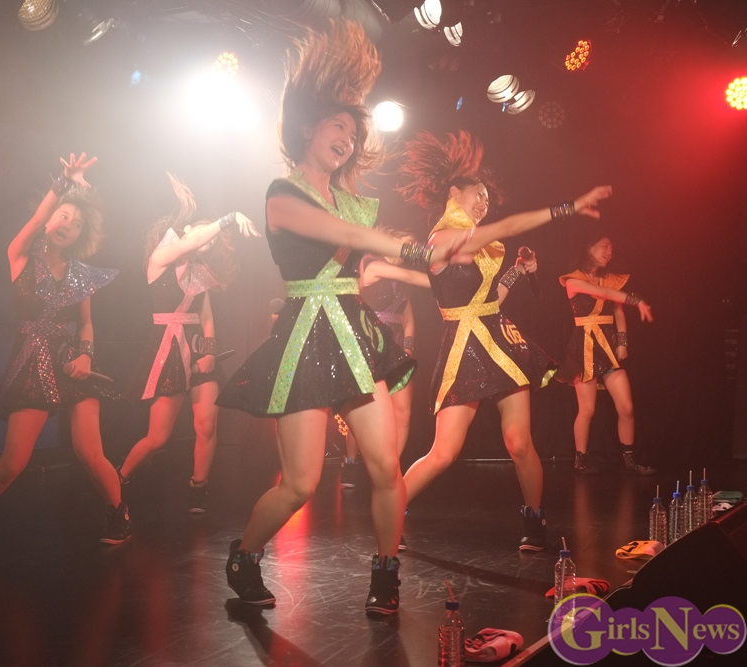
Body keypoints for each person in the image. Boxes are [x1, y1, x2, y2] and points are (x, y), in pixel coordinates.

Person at [215, 22, 471, 615]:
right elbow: (348, 236)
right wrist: (414, 251)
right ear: (309, 128)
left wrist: (435, 254)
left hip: (354, 335)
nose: (349, 140)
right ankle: (245, 555)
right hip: (305, 339)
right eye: (339, 127)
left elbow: (367, 246)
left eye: (355, 135)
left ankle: (386, 573)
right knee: (300, 484)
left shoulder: (354, 201)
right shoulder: (282, 194)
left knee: (385, 466)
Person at [398, 130, 612, 551]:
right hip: (462, 347)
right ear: (454, 192)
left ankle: (534, 518)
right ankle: (390, 513)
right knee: (443, 453)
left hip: (499, 343)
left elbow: (491, 300)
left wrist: (517, 271)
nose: (484, 202)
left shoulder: (481, 247)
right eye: (477, 194)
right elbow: (511, 225)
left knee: (519, 442)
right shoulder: (443, 239)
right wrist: (568, 207)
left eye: (487, 199)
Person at [0, 153, 132, 545]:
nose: (68, 225)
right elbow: (37, 219)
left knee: (90, 452)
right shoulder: (20, 255)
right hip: (31, 360)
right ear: (50, 217)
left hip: (71, 361)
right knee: (13, 463)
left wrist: (86, 354)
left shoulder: (81, 275)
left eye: (77, 224)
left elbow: (86, 323)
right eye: (64, 216)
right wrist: (64, 182)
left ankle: (118, 513)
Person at [119, 174, 258, 513]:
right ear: (187, 233)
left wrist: (209, 352)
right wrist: (228, 218)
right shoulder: (161, 257)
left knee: (206, 424)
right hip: (168, 351)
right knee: (158, 437)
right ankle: (118, 478)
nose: (207, 241)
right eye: (203, 234)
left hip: (197, 350)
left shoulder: (199, 273)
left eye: (211, 239)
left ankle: (199, 487)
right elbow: (191, 242)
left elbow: (206, 316)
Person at [559, 233, 656, 475]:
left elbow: (617, 310)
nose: (608, 252)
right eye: (604, 246)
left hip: (606, 346)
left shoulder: (610, 280)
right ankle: (581, 459)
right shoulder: (574, 280)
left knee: (626, 407)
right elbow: (607, 294)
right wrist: (638, 300)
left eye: (611, 248)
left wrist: (622, 342)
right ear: (589, 247)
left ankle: (630, 460)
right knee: (587, 409)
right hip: (583, 346)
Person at [339, 242, 418, 497]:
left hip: (396, 347)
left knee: (403, 412)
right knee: (362, 406)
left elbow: (409, 319)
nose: (410, 247)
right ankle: (351, 463)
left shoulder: (401, 285)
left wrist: (408, 348)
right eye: (406, 242)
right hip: (370, 342)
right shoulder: (370, 263)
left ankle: (391, 470)